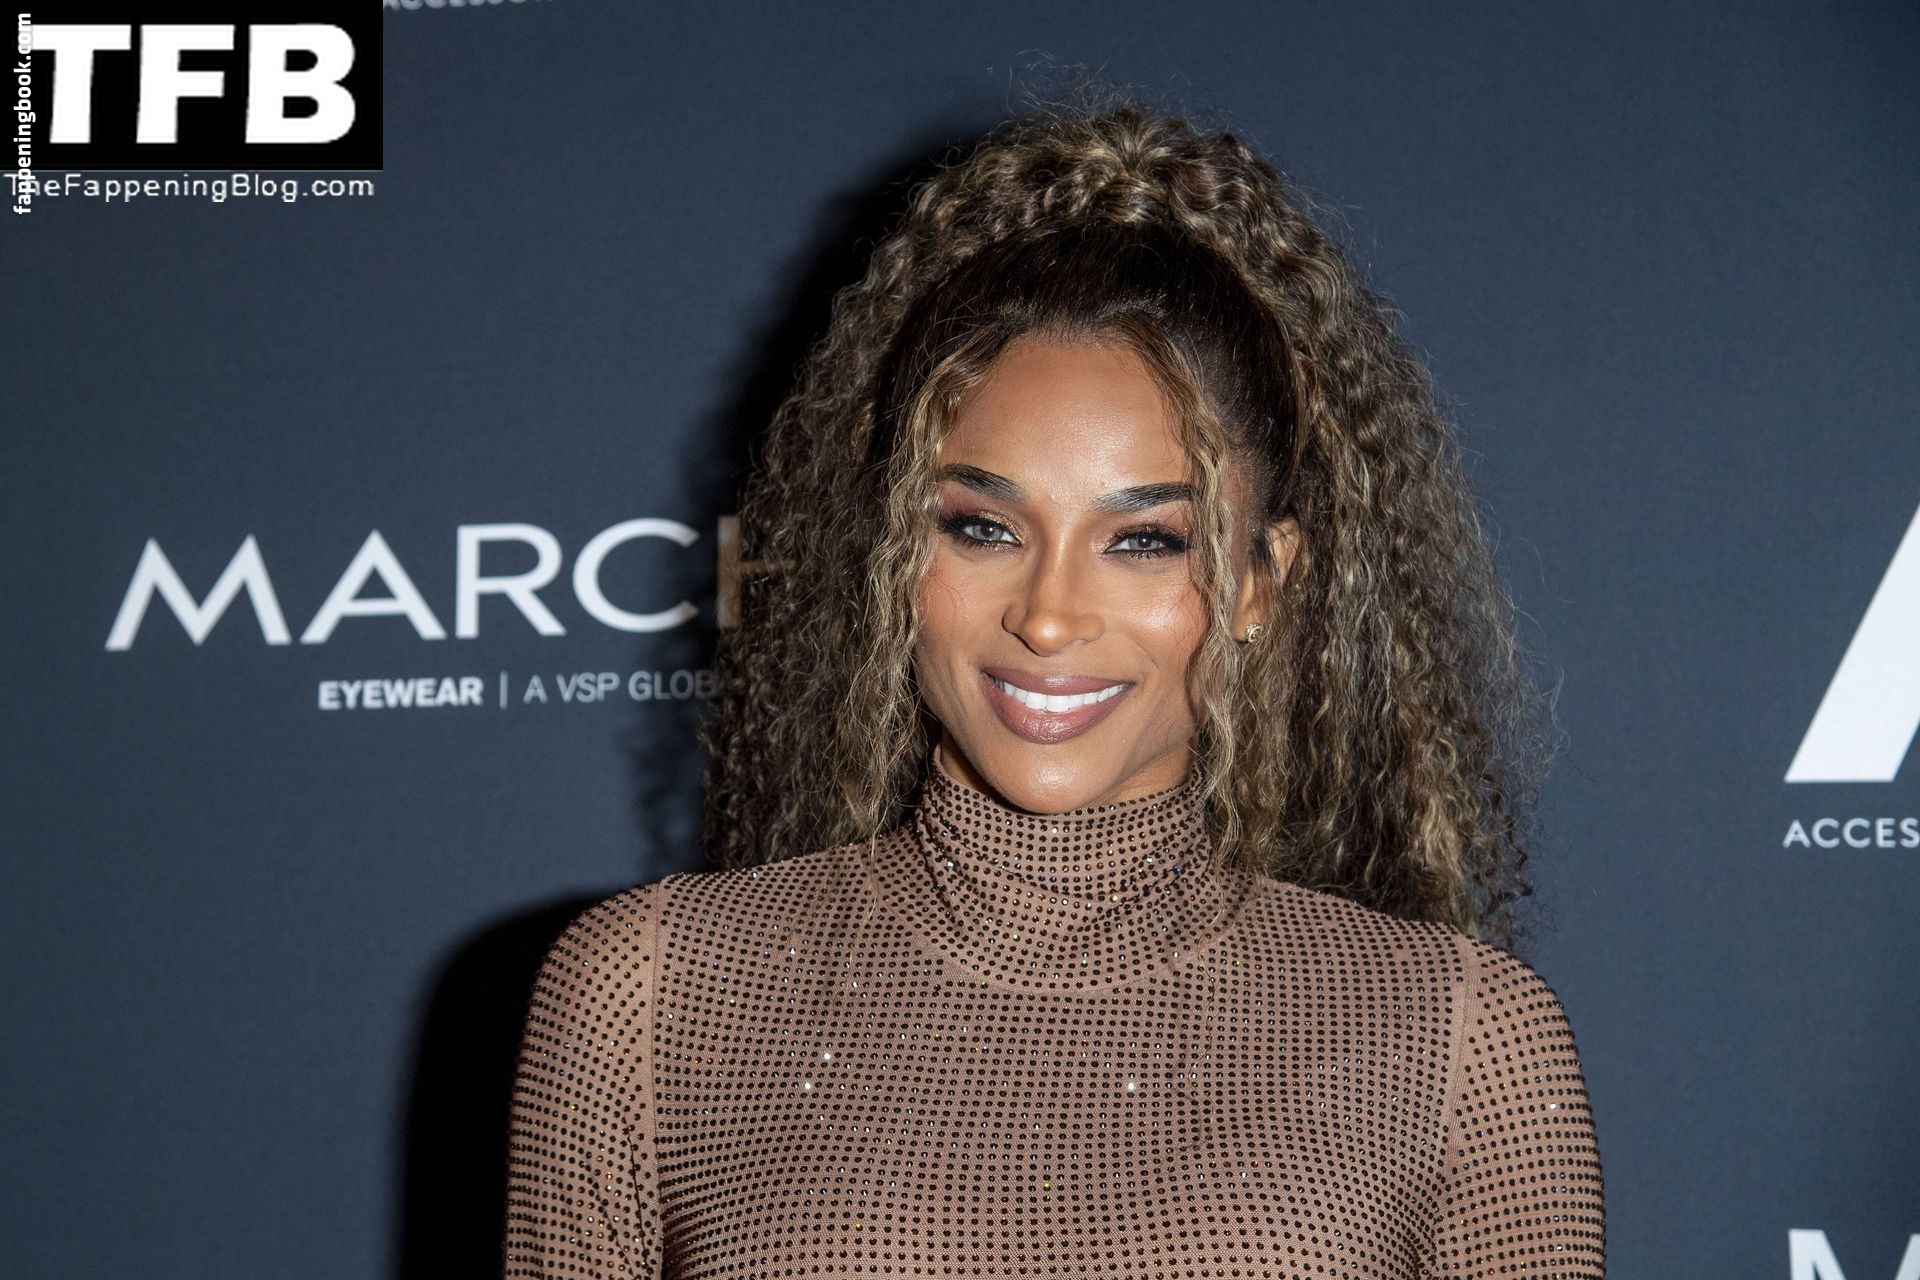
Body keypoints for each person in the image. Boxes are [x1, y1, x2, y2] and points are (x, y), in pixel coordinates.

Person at [502, 101, 1605, 1279]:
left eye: (1145, 540)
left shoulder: (1459, 1041)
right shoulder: (650, 997)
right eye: (981, 526)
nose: (1046, 614)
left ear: (1258, 581)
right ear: (895, 547)